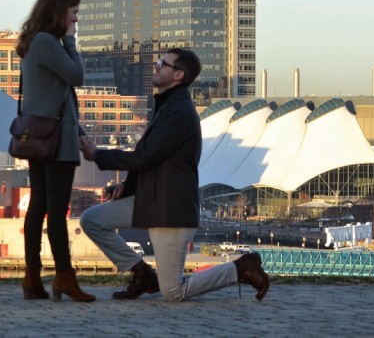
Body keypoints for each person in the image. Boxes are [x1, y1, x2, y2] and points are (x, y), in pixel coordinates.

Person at [79, 48, 270, 302]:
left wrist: (97, 155)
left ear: (178, 74)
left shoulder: (178, 112)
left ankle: (240, 268)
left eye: (162, 63)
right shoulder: (167, 106)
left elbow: (146, 157)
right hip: (150, 201)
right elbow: (150, 158)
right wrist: (127, 187)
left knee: (173, 292)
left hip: (170, 209)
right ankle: (142, 273)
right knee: (92, 220)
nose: (156, 67)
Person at [16, 0, 95, 303]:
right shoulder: (49, 43)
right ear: (59, 12)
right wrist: (71, 41)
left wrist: (80, 131)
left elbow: (60, 95)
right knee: (55, 211)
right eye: (73, 13)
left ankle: (33, 277)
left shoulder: (36, 42)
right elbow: (76, 77)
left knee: (39, 206)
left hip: (43, 136)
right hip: (55, 141)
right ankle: (64, 277)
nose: (76, 20)